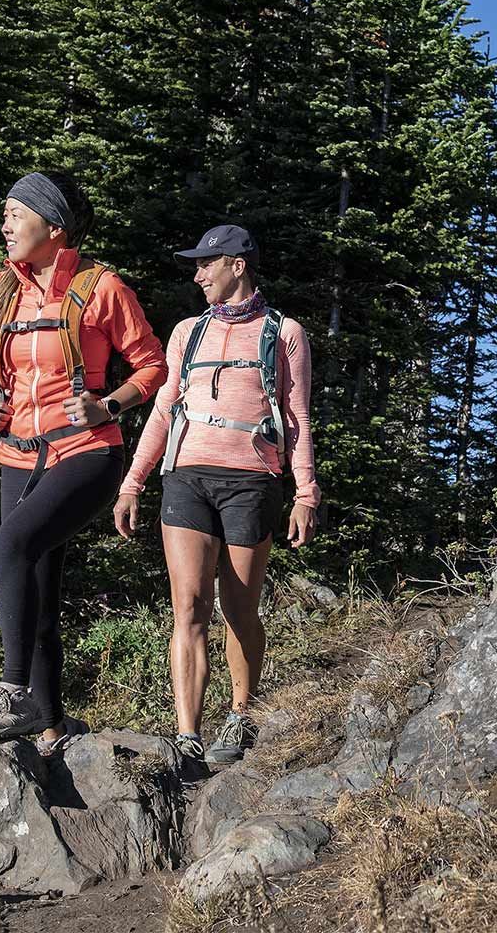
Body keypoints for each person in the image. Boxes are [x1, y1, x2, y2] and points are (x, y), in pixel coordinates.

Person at [0, 171, 167, 754]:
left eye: (15, 213)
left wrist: (109, 404)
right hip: (18, 455)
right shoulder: (4, 286)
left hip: (86, 452)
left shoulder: (101, 288)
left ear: (53, 227)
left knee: (11, 546)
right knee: (36, 587)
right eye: (5, 214)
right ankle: (51, 729)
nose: (4, 225)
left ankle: (14, 691)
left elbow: (153, 365)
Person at [113, 225, 319, 766]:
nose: (198, 275)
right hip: (186, 476)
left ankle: (241, 715)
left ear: (237, 265)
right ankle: (187, 735)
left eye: (207, 264)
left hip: (252, 479)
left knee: (239, 610)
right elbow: (165, 408)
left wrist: (306, 493)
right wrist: (133, 482)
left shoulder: (285, 333)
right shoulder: (188, 332)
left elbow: (295, 417)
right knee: (189, 606)